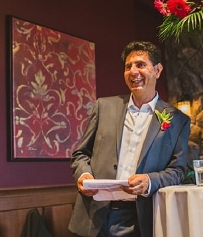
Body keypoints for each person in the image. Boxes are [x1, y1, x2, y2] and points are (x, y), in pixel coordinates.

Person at [69, 41, 190, 237]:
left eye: (140, 65)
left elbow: (178, 170)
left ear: (158, 70)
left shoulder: (178, 120)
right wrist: (84, 176)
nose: (133, 71)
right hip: (94, 216)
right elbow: (81, 154)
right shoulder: (103, 107)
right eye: (128, 66)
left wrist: (150, 180)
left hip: (141, 218)